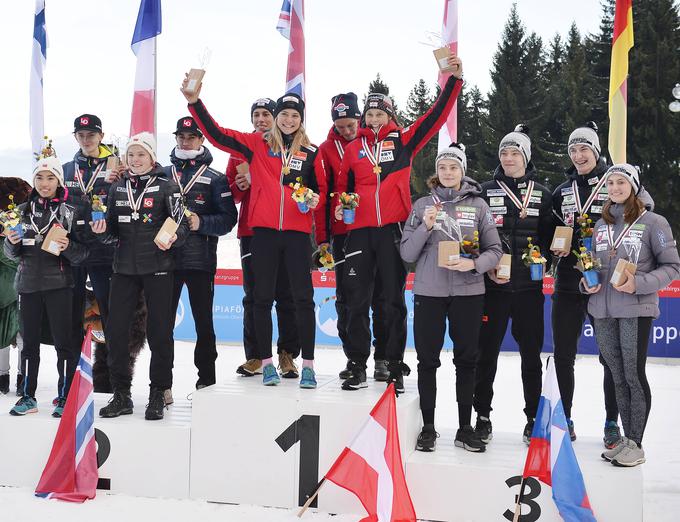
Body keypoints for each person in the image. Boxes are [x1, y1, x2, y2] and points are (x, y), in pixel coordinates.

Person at [182, 80, 328, 389]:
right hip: (262, 233)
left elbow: (319, 191)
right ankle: (265, 362)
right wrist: (195, 103)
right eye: (284, 114)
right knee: (260, 299)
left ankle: (309, 365)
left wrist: (315, 200)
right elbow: (218, 134)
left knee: (302, 299)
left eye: (295, 116)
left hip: (297, 234)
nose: (289, 120)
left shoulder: (312, 153)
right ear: (276, 117)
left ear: (302, 120)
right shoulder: (256, 144)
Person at [334, 55, 464, 393]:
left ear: (390, 116)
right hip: (359, 231)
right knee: (356, 298)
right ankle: (357, 361)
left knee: (391, 299)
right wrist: (339, 209)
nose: (374, 119)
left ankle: (390, 361)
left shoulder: (403, 140)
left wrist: (453, 82)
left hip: (394, 228)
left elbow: (434, 117)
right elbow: (344, 189)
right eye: (370, 114)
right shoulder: (353, 149)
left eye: (380, 113)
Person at [550, 122, 651, 446]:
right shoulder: (561, 191)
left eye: (585, 149)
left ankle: (611, 422)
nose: (578, 155)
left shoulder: (615, 182)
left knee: (610, 358)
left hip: (605, 282)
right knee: (563, 354)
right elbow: (546, 230)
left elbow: (644, 208)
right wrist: (553, 246)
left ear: (595, 152)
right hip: (569, 281)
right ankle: (564, 417)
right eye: (573, 150)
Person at [401, 144, 502, 452]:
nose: (448, 172)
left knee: (467, 360)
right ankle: (428, 427)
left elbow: (495, 251)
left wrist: (473, 265)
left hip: (468, 292)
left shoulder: (480, 206)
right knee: (427, 360)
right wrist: (425, 227)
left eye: (454, 167)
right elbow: (406, 252)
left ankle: (465, 427)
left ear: (463, 171)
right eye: (443, 167)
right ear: (437, 171)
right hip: (429, 292)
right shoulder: (422, 206)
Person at [582, 164, 679, 467]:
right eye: (610, 183)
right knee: (616, 374)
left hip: (635, 309)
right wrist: (586, 280)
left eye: (621, 182)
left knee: (633, 375)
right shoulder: (601, 225)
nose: (614, 188)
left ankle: (636, 442)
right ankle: (626, 438)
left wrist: (639, 283)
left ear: (634, 186)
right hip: (602, 310)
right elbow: (595, 265)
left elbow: (672, 267)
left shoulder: (654, 222)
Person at [95, 132, 189, 420]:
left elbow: (182, 226)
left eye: (141, 155)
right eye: (131, 155)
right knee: (116, 333)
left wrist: (172, 239)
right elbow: (111, 231)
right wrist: (103, 232)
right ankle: (121, 394)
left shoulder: (168, 187)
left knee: (160, 334)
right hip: (123, 270)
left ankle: (158, 393)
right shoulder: (117, 188)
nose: (136, 160)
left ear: (151, 157)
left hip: (158, 269)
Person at [472, 124, 554, 444]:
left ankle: (533, 416)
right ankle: (482, 415)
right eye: (504, 152)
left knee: (531, 357)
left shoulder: (543, 193)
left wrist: (547, 257)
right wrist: (484, 265)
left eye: (515, 152)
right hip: (492, 289)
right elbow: (472, 234)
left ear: (526, 157)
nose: (508, 158)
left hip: (529, 290)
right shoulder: (483, 190)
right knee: (486, 354)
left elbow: (550, 238)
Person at [3, 154, 88, 417]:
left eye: (50, 177)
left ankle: (64, 397)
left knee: (64, 342)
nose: (44, 182)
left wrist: (68, 247)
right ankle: (28, 397)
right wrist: (11, 243)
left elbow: (83, 253)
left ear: (59, 181)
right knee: (28, 344)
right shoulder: (20, 211)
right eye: (39, 177)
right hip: (27, 286)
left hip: (59, 286)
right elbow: (11, 254)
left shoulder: (70, 211)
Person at [226, 98, 301, 379]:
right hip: (251, 231)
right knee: (255, 297)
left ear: (277, 119)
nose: (261, 119)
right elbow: (231, 194)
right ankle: (257, 355)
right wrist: (240, 186)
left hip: (285, 232)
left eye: (266, 114)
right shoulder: (239, 151)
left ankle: (287, 354)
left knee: (287, 295)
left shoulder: (291, 149)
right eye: (256, 114)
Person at [319, 92, 387, 382]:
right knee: (348, 300)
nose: (347, 130)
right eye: (341, 125)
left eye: (351, 124)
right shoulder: (325, 149)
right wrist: (323, 237)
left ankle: (383, 356)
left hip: (374, 231)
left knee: (381, 296)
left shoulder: (370, 144)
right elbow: (323, 195)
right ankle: (354, 357)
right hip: (342, 234)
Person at [167, 116, 237, 389]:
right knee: (162, 328)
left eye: (192, 137)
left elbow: (229, 219)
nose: (186, 141)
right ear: (176, 139)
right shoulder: (162, 174)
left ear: (201, 140)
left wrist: (202, 223)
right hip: (165, 260)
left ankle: (206, 381)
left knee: (204, 327)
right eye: (181, 137)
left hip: (200, 261)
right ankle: (163, 386)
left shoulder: (216, 178)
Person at [62, 114, 122, 380]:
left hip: (104, 252)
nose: (86, 140)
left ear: (101, 136)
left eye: (91, 135)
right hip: (73, 251)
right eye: (81, 135)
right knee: (72, 314)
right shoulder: (64, 169)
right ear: (75, 137)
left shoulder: (115, 168)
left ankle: (110, 376)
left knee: (109, 314)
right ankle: (74, 376)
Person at [0, 177, 31, 395]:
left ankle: (24, 375)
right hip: (3, 287)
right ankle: (2, 375)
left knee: (24, 332)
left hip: (22, 283)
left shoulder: (24, 221)